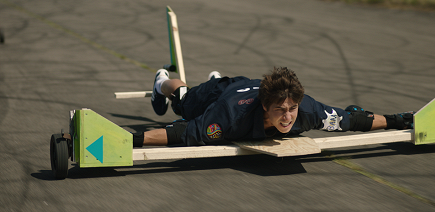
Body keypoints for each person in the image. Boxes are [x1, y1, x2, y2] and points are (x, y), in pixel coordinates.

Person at [132, 67, 414, 147]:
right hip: (224, 96)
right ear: (266, 107)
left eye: (292, 108)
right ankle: (161, 81)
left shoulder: (309, 111)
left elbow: (354, 121)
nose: (289, 117)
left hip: (247, 84)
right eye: (281, 110)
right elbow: (181, 133)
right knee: (183, 101)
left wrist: (400, 120)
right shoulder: (229, 117)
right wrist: (132, 139)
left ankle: (215, 79)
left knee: (346, 118)